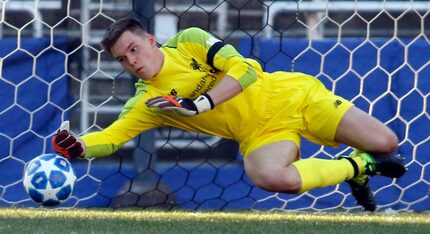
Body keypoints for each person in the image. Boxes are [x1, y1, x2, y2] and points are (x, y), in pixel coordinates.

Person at [52, 16, 406, 211]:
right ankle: (358, 168)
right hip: (261, 134)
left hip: (292, 96)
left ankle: (366, 162)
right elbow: (112, 138)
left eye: (134, 49)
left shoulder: (189, 40)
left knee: (386, 142)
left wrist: (199, 103)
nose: (132, 62)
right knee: (270, 177)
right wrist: (79, 146)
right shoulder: (148, 103)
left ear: (150, 41)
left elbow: (246, 68)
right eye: (122, 60)